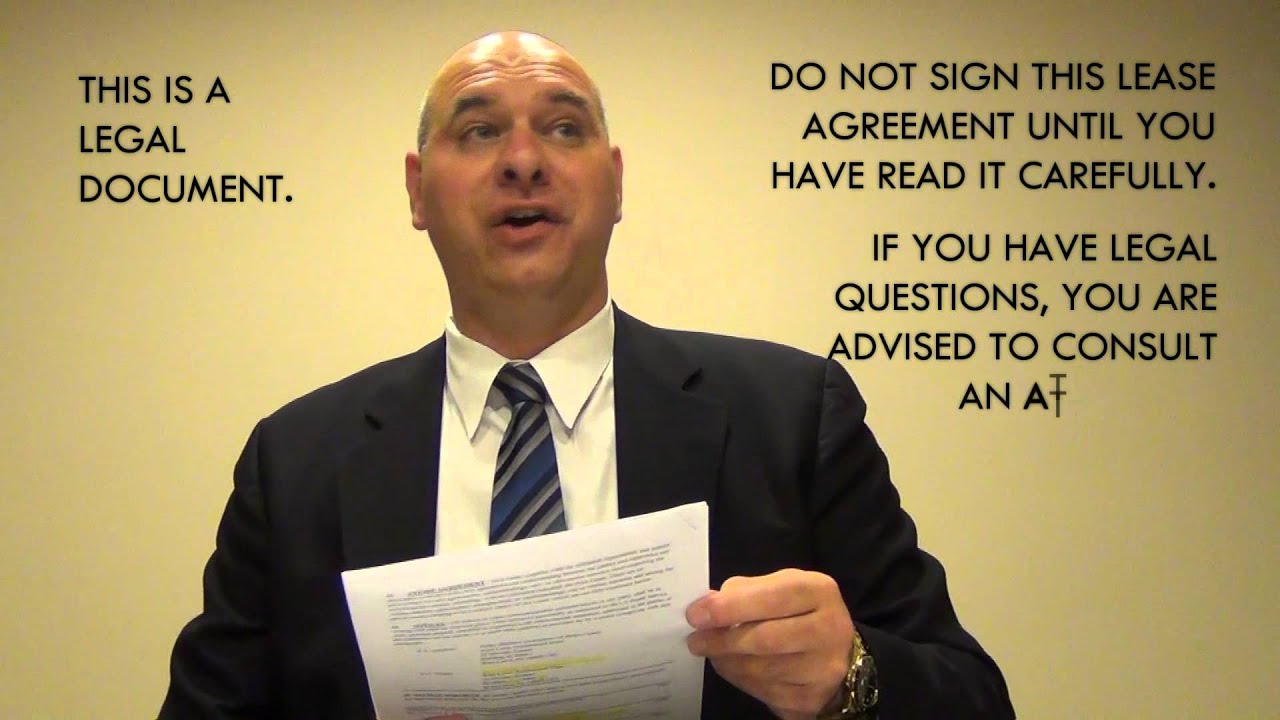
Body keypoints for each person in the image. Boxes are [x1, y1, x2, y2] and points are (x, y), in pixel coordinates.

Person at [160, 31, 1015, 720]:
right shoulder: (295, 461)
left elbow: (975, 698)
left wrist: (850, 678)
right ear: (418, 192)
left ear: (615, 183)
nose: (523, 160)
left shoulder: (792, 415)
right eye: (479, 130)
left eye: (565, 128)